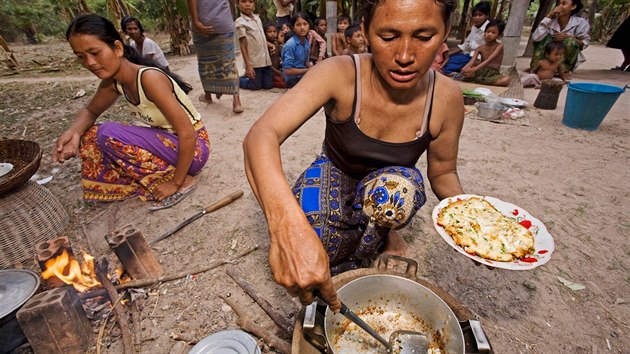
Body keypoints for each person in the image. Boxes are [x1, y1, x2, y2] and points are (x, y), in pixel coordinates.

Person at [243, 0, 463, 311]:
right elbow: (260, 136)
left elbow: (443, 172)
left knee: (397, 191)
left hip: (388, 190)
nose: (404, 56)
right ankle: (366, 243)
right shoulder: (339, 73)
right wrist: (286, 226)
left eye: (424, 37)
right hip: (336, 172)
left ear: (445, 33)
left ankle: (386, 234)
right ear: (365, 32)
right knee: (312, 236)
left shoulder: (447, 97)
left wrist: (471, 220)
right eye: (388, 37)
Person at [53, 14, 209, 210]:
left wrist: (175, 183)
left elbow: (188, 134)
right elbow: (90, 111)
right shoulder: (113, 82)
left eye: (95, 52)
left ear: (117, 48)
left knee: (108, 132)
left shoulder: (149, 79)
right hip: (170, 144)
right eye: (81, 57)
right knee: (90, 135)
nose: (90, 62)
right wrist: (73, 132)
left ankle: (182, 180)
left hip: (194, 150)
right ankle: (144, 181)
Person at [187, 0, 243, 113]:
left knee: (205, 62)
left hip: (202, 22)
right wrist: (229, 18)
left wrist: (196, 22)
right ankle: (236, 102)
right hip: (223, 21)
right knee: (229, 62)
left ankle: (208, 96)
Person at [530, 0, 590, 73]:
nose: (559, 7)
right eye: (558, 4)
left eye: (564, 3)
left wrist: (568, 37)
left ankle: (563, 70)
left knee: (570, 42)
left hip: (564, 58)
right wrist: (549, 16)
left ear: (573, 6)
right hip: (547, 57)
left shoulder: (581, 23)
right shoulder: (550, 21)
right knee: (544, 39)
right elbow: (536, 38)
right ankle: (539, 66)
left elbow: (584, 43)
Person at [443, 1, 490, 74]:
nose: (477, 18)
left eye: (480, 15)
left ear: (487, 15)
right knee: (445, 59)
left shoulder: (489, 30)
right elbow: (465, 45)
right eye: (475, 15)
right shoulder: (474, 27)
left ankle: (460, 71)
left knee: (447, 66)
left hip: (475, 59)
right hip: (467, 55)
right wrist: (448, 53)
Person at [235, 0, 273, 90]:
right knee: (255, 86)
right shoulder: (240, 22)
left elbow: (260, 38)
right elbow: (242, 45)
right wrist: (248, 66)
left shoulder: (257, 18)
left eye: (251, 1)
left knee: (268, 85)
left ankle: (250, 77)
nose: (247, 4)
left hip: (265, 61)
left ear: (254, 4)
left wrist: (270, 44)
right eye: (243, 1)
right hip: (254, 63)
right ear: (237, 4)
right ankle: (236, 80)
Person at [460, 19, 511, 86]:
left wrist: (474, 69)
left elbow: (488, 60)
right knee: (467, 73)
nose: (489, 34)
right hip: (480, 71)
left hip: (493, 73)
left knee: (506, 80)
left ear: (499, 35)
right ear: (484, 33)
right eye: (488, 31)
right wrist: (464, 69)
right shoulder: (479, 48)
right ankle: (482, 80)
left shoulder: (499, 46)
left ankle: (478, 80)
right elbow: (471, 62)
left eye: (493, 33)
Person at [281, 13, 311, 88]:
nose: (302, 27)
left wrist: (312, 68)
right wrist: (307, 70)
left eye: (305, 24)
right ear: (293, 28)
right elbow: (288, 71)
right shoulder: (290, 45)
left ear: (309, 26)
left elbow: (306, 62)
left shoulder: (306, 42)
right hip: (293, 79)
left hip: (303, 76)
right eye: (298, 25)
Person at [264, 23, 287, 88]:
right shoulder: (266, 46)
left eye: (274, 31)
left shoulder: (277, 44)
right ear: (265, 34)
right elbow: (268, 65)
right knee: (282, 83)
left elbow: (283, 56)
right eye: (269, 32)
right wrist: (279, 73)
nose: (272, 33)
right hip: (270, 71)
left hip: (278, 70)